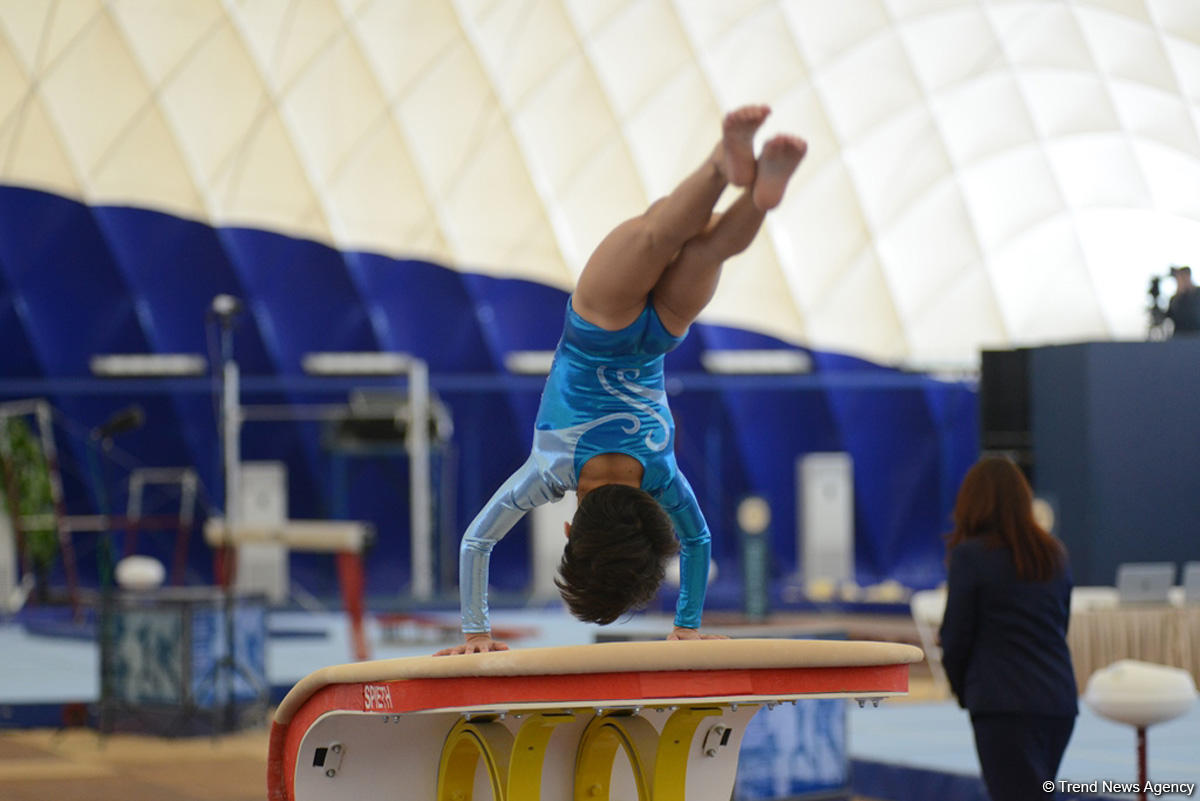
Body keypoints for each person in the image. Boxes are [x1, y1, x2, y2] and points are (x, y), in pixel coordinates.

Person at [435, 105, 807, 655]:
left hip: (662, 334)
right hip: (599, 322)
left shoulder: (662, 476)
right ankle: (717, 167)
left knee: (708, 247)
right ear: (569, 533)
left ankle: (757, 199)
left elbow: (697, 540)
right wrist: (476, 629)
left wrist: (686, 624)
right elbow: (476, 541)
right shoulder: (548, 469)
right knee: (657, 233)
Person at [938, 455, 1077, 800]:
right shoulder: (1054, 553)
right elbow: (1060, 623)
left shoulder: (971, 556)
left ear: (972, 502)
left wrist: (964, 690)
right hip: (1058, 702)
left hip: (1003, 705)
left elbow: (955, 637)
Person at [1166, 265, 1200, 335]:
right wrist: (1178, 295)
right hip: (1179, 336)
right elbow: (1170, 317)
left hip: (1196, 335)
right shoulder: (1174, 299)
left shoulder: (1198, 293)